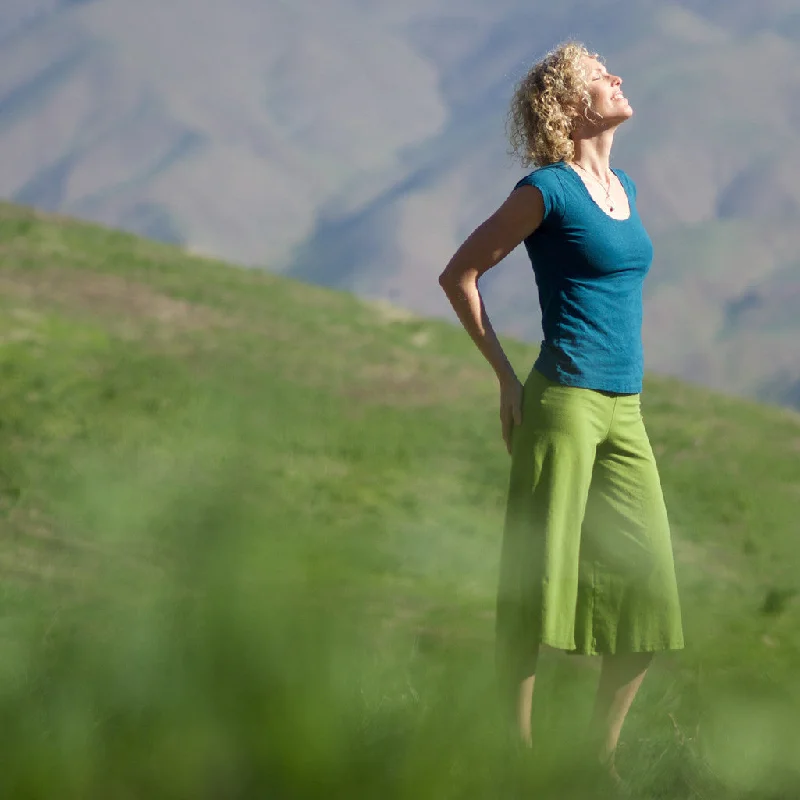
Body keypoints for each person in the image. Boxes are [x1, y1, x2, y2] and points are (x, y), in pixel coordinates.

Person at [437, 41, 684, 783]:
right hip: (565, 404)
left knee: (648, 594)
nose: (616, 77)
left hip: (626, 412)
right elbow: (460, 274)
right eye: (599, 75)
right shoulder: (547, 190)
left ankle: (595, 762)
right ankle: (514, 758)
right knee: (535, 584)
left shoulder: (626, 188)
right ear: (573, 106)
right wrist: (507, 382)